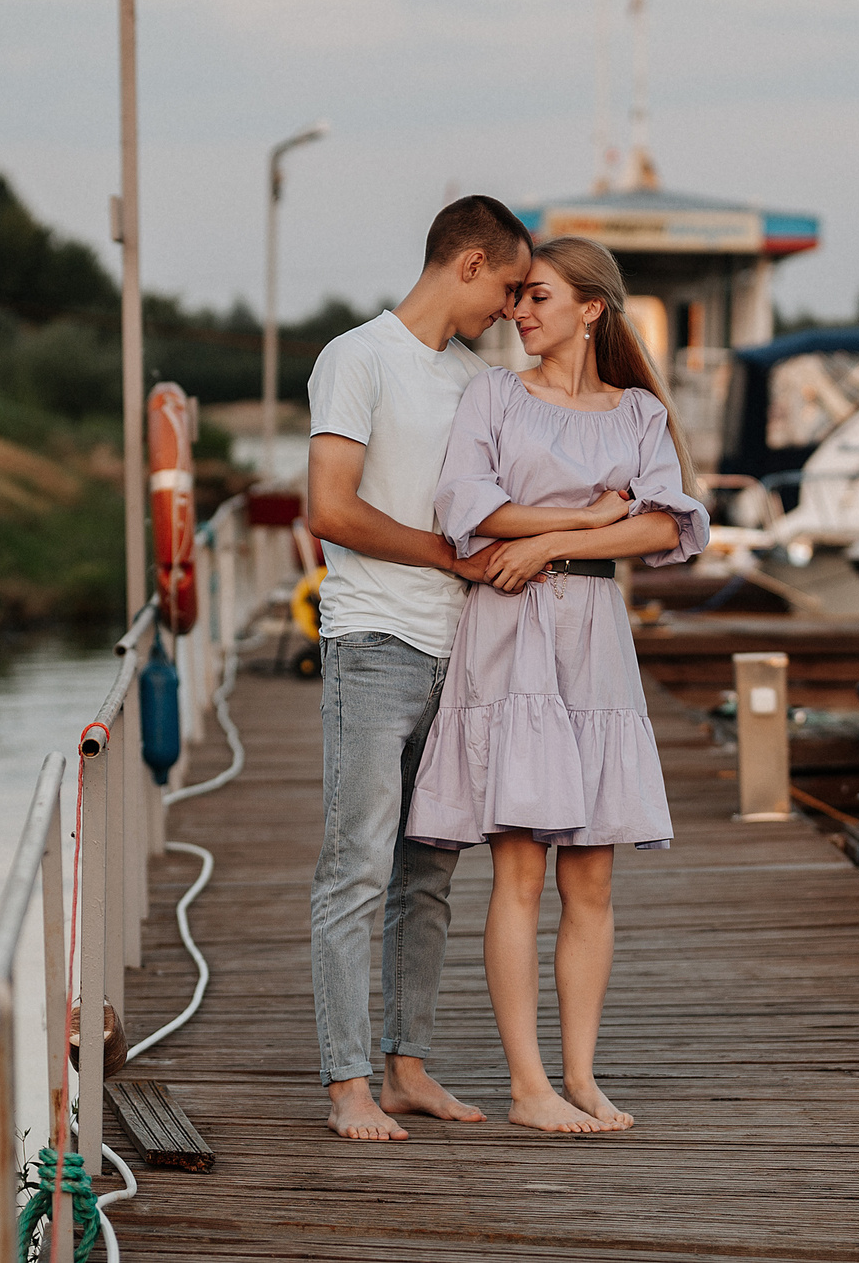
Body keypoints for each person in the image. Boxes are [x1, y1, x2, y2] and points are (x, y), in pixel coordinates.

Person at [406, 237, 711, 1133]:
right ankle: (528, 1086)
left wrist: (548, 543)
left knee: (593, 879)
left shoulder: (639, 415)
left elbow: (666, 526)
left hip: (594, 637)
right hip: (512, 636)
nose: (518, 309)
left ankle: (580, 1075)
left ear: (590, 309)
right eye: (517, 296)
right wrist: (581, 519)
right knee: (519, 868)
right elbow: (470, 507)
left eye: (538, 295)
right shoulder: (494, 394)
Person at [304, 194, 533, 1142]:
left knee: (429, 873)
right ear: (469, 263)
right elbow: (331, 508)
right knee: (357, 864)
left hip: (461, 655)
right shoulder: (356, 357)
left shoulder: (479, 377)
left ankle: (405, 1067)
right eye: (511, 285)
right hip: (375, 641)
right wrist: (447, 555)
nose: (513, 308)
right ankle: (346, 1081)